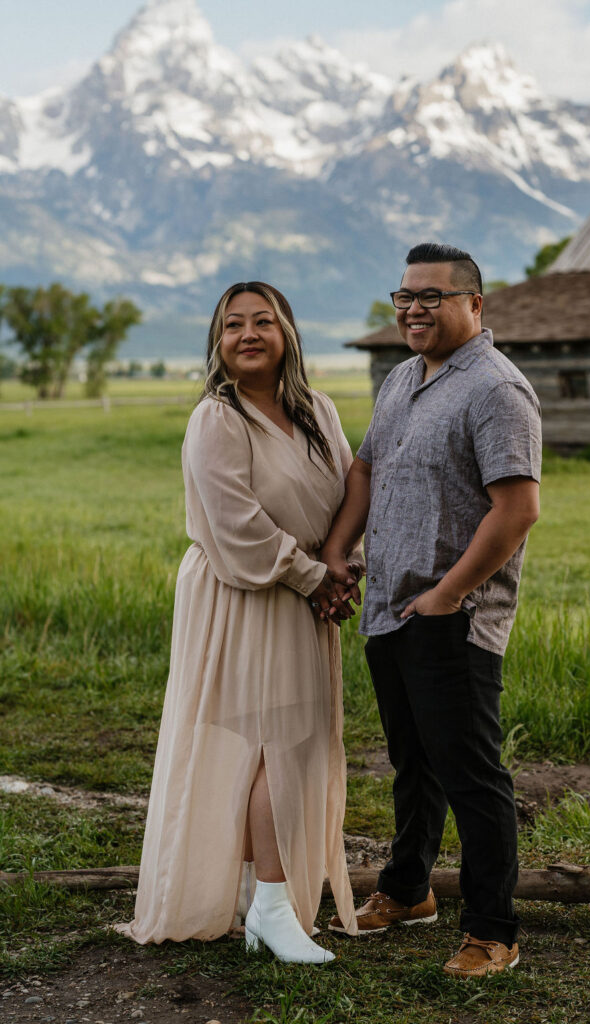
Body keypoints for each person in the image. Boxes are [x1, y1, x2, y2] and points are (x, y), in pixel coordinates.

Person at [117, 280, 360, 962]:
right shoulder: (216, 419)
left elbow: (347, 493)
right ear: (217, 345)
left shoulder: (318, 409)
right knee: (274, 744)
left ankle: (262, 902)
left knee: (294, 743)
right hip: (241, 593)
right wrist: (316, 579)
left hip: (306, 596)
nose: (247, 333)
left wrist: (344, 565)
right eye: (232, 325)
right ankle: (274, 910)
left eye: (262, 321)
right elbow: (234, 524)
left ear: (287, 334)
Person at [321, 242, 542, 978]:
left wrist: (447, 595)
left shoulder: (495, 390)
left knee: (471, 774)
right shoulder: (401, 378)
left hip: (452, 617)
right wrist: (337, 549)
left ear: (474, 305)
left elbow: (516, 510)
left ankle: (492, 931)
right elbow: (365, 466)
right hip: (388, 606)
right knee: (412, 763)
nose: (413, 308)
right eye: (404, 296)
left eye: (431, 297)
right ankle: (408, 890)